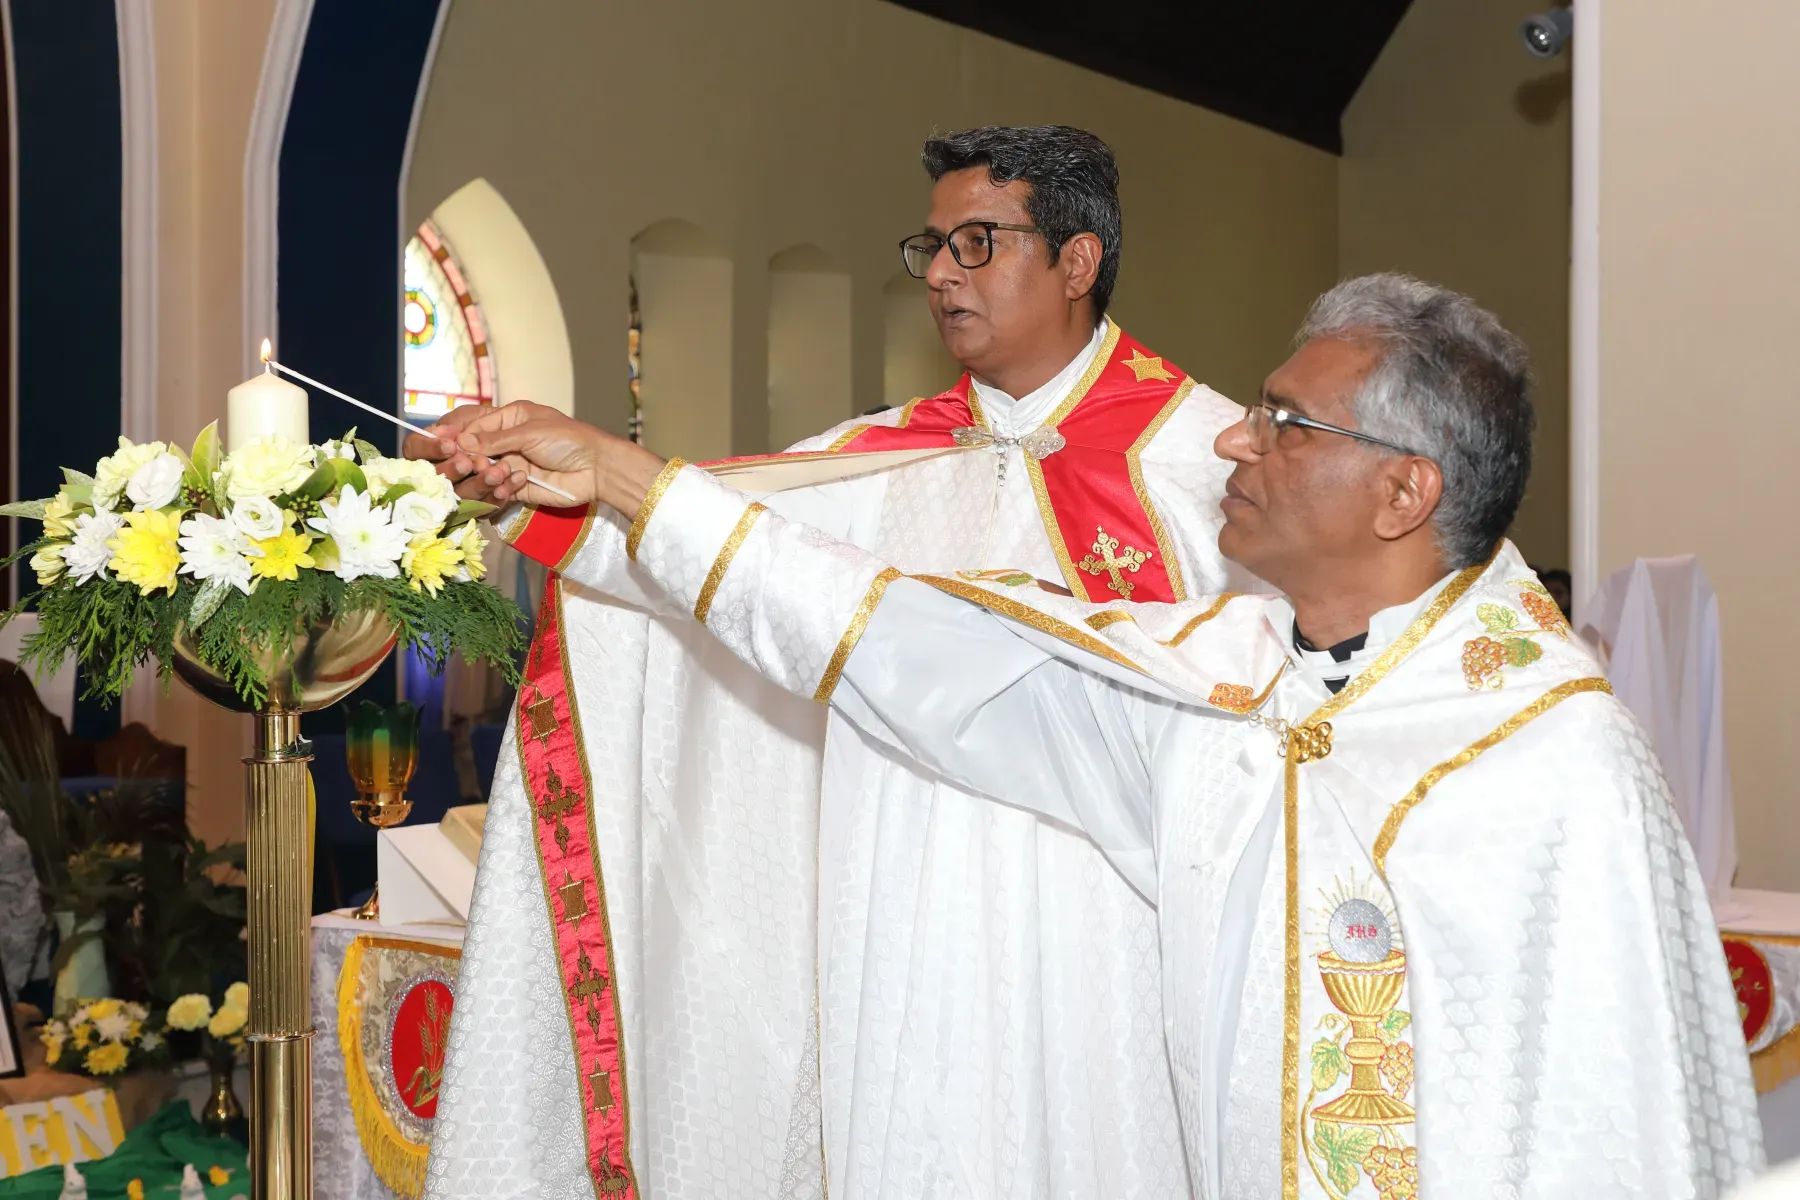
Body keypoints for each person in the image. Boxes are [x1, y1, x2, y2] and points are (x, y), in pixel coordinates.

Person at [447, 273, 1762, 1198]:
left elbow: (1620, 1135)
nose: (1236, 437)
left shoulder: (1552, 763)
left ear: (1404, 492)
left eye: (1288, 423)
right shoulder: (1228, 689)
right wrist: (625, 484)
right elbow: (909, 641)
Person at [418, 126, 1247, 1199]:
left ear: (1078, 260)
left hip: (1103, 945)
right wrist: (550, 493)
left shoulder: (1211, 468)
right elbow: (723, 564)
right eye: (932, 247)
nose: (940, 273)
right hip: (889, 922)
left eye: (977, 243)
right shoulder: (875, 460)